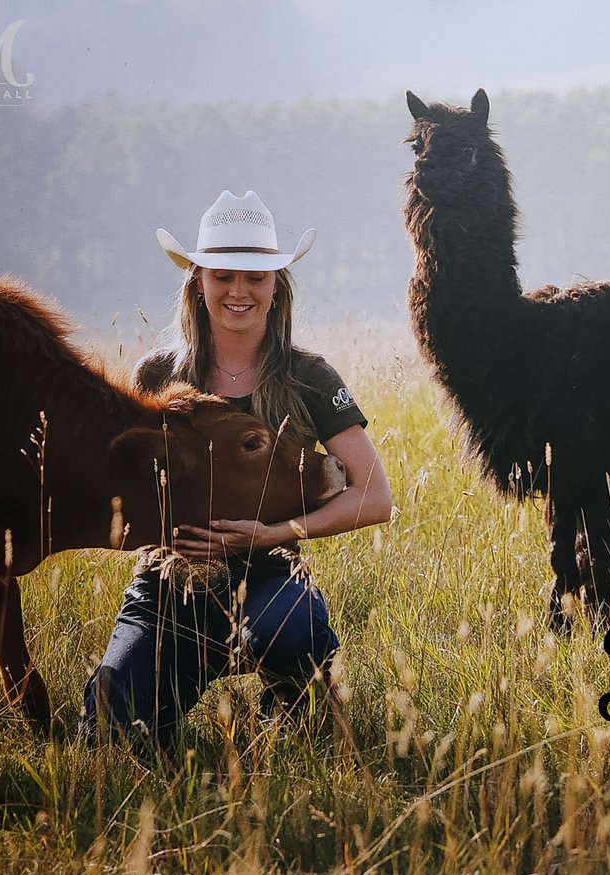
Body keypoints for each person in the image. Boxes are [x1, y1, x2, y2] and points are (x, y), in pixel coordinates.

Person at [81, 189, 392, 754]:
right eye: (224, 276)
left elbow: (374, 497)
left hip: (269, 575)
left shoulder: (309, 377)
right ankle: (167, 686)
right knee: (111, 729)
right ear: (198, 283)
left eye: (256, 277)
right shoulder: (157, 373)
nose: (239, 291)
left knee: (290, 630)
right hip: (167, 583)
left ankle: (293, 700)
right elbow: (116, 486)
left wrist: (274, 534)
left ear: (277, 287)